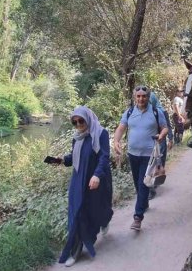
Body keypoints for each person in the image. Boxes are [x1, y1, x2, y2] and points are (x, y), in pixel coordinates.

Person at [48, 106, 113, 267]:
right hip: (78, 181)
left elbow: (104, 157)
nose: (78, 124)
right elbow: (74, 157)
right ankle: (75, 251)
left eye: (81, 120)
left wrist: (97, 175)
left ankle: (104, 219)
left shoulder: (101, 133)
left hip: (95, 180)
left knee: (97, 210)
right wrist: (61, 160)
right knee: (77, 213)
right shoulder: (77, 137)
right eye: (74, 122)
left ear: (88, 119)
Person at [113, 85, 168, 231]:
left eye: (144, 96)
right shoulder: (129, 112)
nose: (141, 98)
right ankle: (144, 203)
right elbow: (121, 127)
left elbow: (165, 127)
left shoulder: (156, 112)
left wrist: (162, 135)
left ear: (148, 97)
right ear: (135, 97)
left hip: (149, 155)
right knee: (138, 184)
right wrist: (116, 141)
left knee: (143, 184)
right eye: (138, 96)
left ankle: (138, 217)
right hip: (133, 154)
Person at [148, 92, 173, 200]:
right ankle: (151, 186)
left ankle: (153, 185)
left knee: (158, 161)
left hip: (161, 140)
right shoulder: (146, 111)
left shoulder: (161, 111)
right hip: (150, 140)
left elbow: (168, 125)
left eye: (149, 101)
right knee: (151, 163)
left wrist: (171, 139)